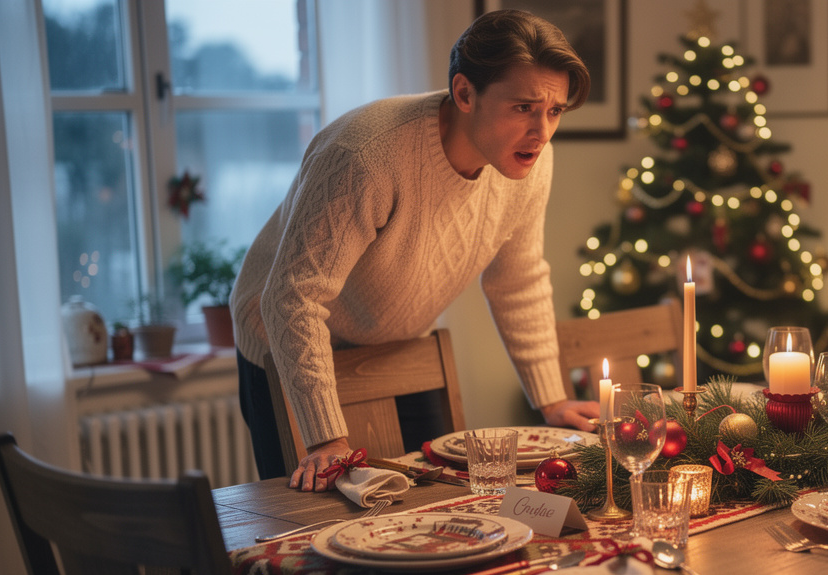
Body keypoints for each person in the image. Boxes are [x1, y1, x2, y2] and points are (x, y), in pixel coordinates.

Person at [231, 9, 600, 492]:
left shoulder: (531, 159)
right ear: (465, 93)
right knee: (311, 517)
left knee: (438, 498)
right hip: (283, 334)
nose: (542, 131)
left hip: (397, 339)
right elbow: (292, 299)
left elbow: (518, 277)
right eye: (523, 107)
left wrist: (552, 399)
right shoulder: (365, 153)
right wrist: (325, 440)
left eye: (554, 111)